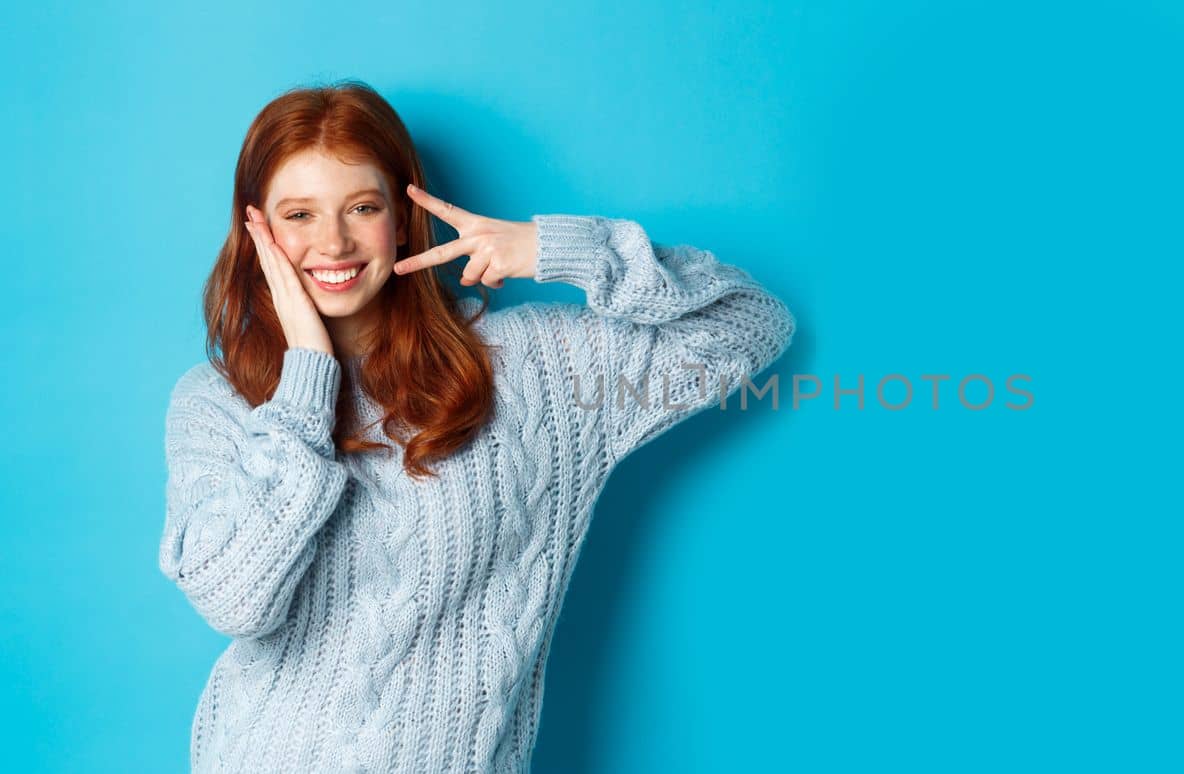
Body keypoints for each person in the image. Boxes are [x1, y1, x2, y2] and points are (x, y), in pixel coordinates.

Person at [158, 79, 795, 773]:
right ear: (258, 231)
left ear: (402, 218)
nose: (333, 242)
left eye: (361, 207)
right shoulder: (217, 402)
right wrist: (309, 377)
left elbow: (747, 324)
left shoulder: (532, 369)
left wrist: (557, 252)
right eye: (300, 214)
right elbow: (235, 602)